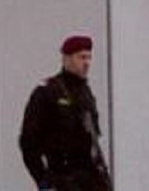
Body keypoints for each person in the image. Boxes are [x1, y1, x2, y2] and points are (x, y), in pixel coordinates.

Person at [19, 34, 112, 191]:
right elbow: (28, 141)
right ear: (66, 59)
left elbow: (92, 139)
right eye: (81, 57)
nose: (87, 63)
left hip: (91, 177)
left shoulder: (85, 93)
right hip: (63, 176)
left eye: (89, 57)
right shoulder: (48, 92)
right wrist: (42, 180)